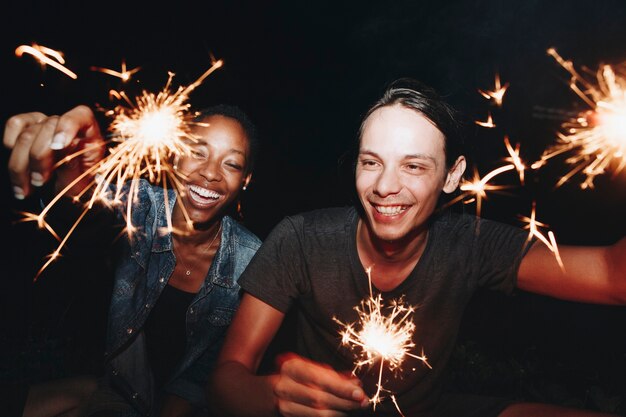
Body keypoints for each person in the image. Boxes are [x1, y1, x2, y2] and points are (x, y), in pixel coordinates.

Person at [208, 78, 626, 417]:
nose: (386, 186)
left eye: (413, 166)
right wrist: (271, 396)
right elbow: (226, 381)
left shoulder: (472, 243)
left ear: (451, 175)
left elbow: (613, 277)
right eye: (371, 162)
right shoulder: (301, 239)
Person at [3, 103, 262, 416]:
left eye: (231, 164)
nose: (210, 173)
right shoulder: (142, 205)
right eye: (197, 151)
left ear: (246, 180)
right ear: (175, 154)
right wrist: (71, 177)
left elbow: (209, 371)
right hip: (119, 391)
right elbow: (91, 207)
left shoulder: (252, 260)